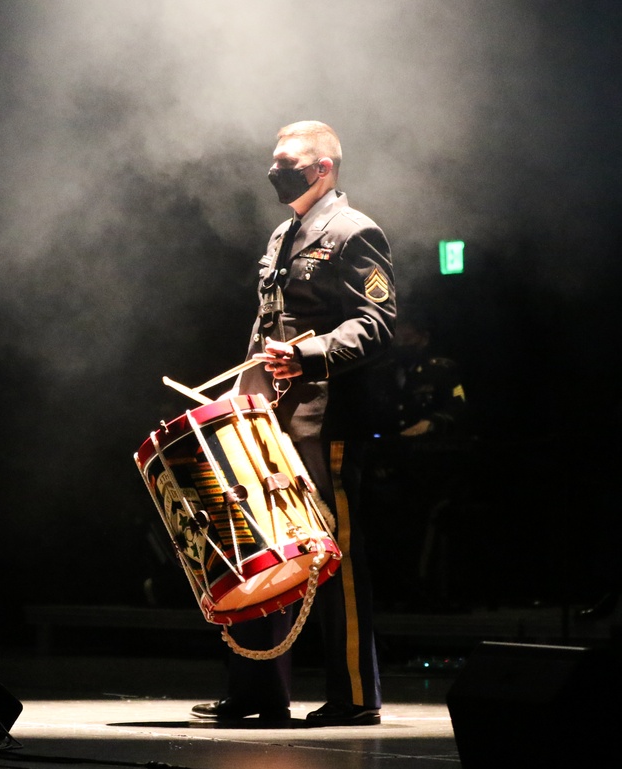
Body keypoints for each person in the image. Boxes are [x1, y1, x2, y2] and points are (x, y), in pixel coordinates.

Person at [191, 120, 396, 726]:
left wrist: (307, 354)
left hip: (324, 421)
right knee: (262, 549)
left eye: (288, 161)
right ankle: (258, 692)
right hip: (272, 418)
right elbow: (268, 323)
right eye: (275, 160)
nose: (275, 171)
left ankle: (356, 695)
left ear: (323, 167)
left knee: (338, 558)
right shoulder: (285, 234)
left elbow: (377, 322)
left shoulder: (355, 232)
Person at [362, 312, 470, 610]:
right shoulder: (385, 371)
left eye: (408, 333)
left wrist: (432, 423)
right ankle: (392, 589)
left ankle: (423, 588)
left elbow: (457, 408)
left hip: (430, 460)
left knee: (422, 518)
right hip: (392, 458)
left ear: (423, 336)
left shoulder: (440, 370)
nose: (401, 338)